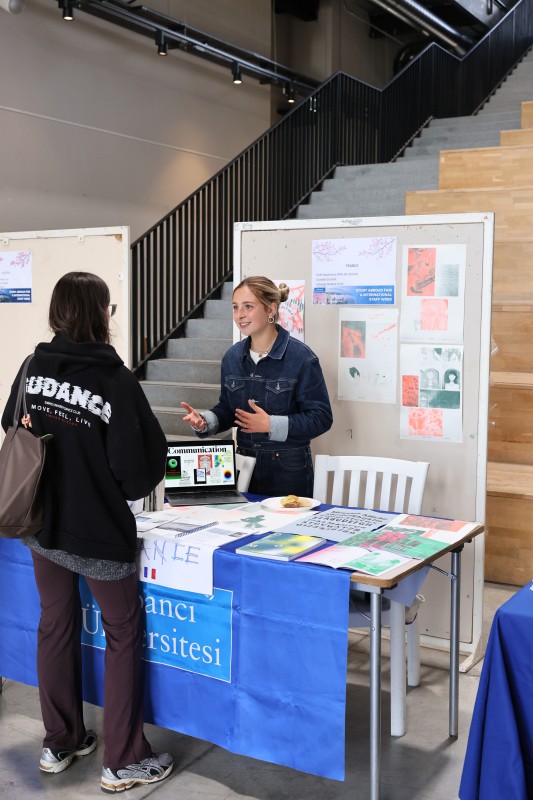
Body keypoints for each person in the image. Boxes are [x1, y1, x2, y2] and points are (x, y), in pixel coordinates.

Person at [1, 272, 173, 794]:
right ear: (100, 314)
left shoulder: (32, 367)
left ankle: (60, 742)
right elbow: (137, 476)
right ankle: (123, 759)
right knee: (123, 632)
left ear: (58, 312)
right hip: (97, 531)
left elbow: (12, 426)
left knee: (55, 624)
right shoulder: (116, 381)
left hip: (43, 527)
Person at [181, 276, 333, 497]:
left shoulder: (302, 358)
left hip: (288, 470)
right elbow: (228, 409)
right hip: (243, 466)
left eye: (248, 307)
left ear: (271, 309)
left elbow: (321, 418)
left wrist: (270, 424)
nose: (240, 314)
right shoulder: (232, 357)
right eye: (235, 307)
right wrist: (205, 421)